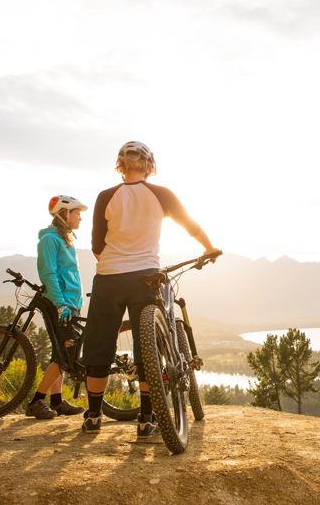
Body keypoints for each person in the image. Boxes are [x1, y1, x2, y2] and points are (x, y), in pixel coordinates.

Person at [82, 141, 219, 437]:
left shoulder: (106, 196)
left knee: (100, 344)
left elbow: (96, 246)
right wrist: (209, 248)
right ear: (149, 165)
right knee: (149, 346)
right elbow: (190, 225)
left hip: (108, 278)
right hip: (145, 277)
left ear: (121, 165)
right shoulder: (161, 194)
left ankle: (93, 417)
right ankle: (146, 420)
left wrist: (116, 263)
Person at [26, 195, 88, 419]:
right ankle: (36, 401)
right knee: (65, 355)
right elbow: (48, 273)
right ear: (64, 215)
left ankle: (56, 401)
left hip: (71, 303)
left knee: (61, 354)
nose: (80, 217)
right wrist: (61, 304)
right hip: (59, 304)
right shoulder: (50, 240)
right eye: (76, 212)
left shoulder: (66, 239)